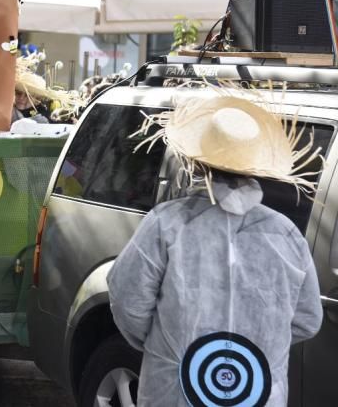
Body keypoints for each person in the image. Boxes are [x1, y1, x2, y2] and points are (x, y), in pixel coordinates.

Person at [108, 94, 323, 407]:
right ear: (258, 167)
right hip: (260, 394)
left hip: (175, 391)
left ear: (197, 162)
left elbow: (128, 301)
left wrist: (169, 346)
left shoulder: (166, 223)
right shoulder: (286, 233)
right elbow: (307, 320)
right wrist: (259, 344)